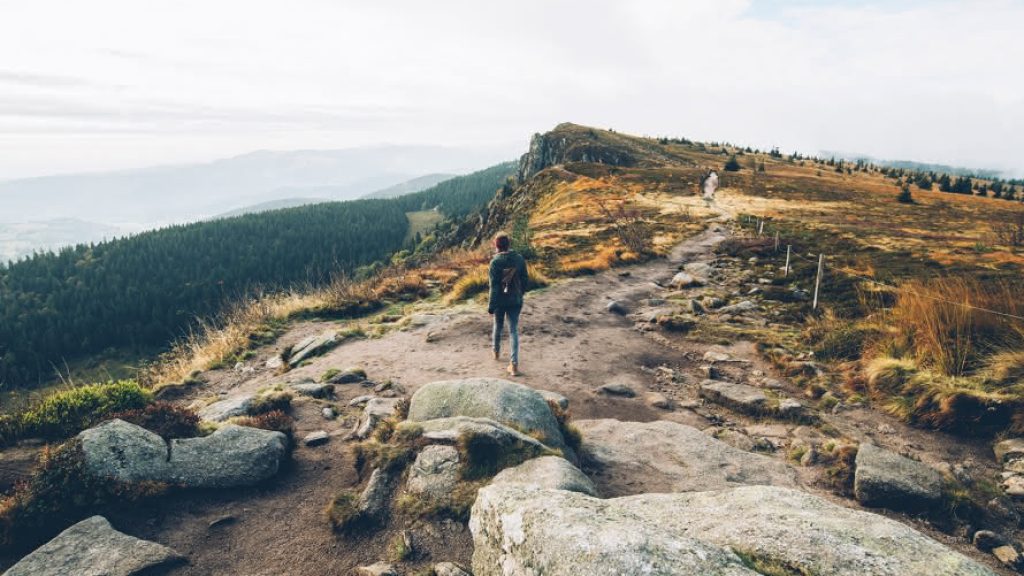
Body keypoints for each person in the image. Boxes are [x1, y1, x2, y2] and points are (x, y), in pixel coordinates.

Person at [488, 231, 528, 376]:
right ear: (508, 244)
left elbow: (494, 287)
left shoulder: (495, 262)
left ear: (497, 246)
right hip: (515, 300)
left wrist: (491, 305)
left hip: (500, 301)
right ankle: (514, 364)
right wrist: (520, 293)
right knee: (513, 330)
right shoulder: (519, 258)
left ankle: (496, 351)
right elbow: (525, 279)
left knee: (498, 326)